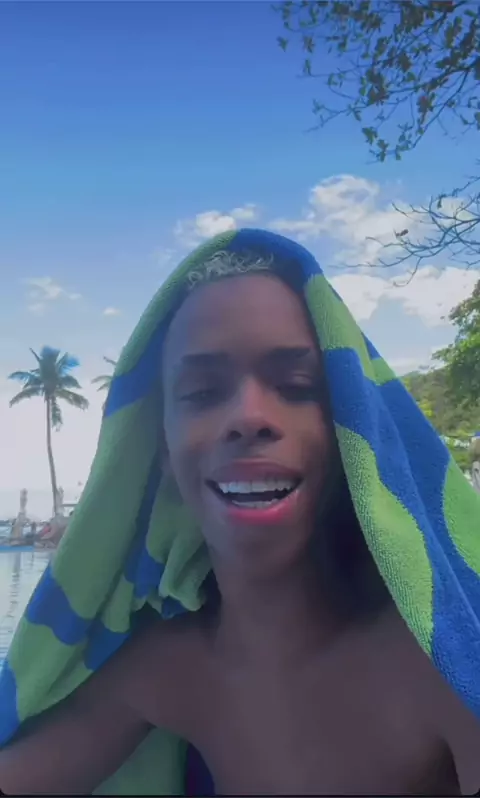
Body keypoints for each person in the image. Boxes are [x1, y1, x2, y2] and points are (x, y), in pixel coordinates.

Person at [1, 232, 480, 796]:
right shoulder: (166, 668)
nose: (249, 417)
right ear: (163, 449)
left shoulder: (442, 662)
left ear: (351, 432)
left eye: (296, 387)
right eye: (203, 393)